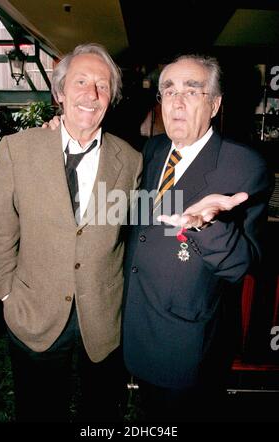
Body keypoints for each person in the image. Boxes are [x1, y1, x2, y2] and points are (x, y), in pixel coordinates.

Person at [0, 43, 143, 422]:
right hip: (32, 312)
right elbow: (1, 231)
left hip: (104, 319)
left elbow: (134, 235)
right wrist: (7, 293)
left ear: (112, 98)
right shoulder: (17, 150)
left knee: (102, 416)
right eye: (81, 82)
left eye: (102, 86)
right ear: (59, 92)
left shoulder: (131, 161)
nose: (91, 95)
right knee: (38, 413)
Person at [121, 54, 273, 421]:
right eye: (168, 90)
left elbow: (242, 265)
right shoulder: (154, 150)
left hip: (187, 342)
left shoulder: (243, 165)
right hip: (138, 325)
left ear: (215, 104)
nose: (176, 100)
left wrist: (207, 226)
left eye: (192, 90)